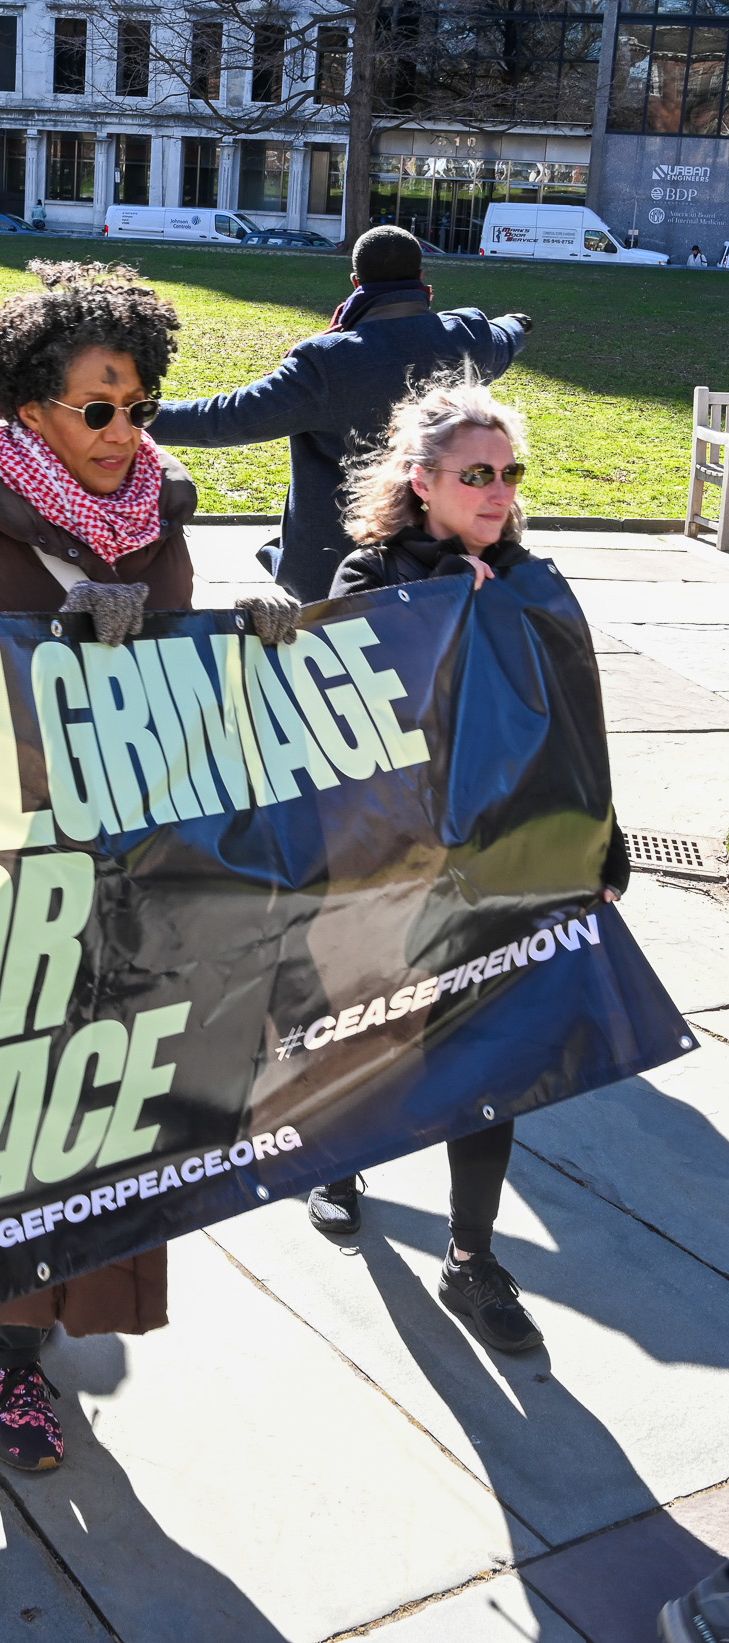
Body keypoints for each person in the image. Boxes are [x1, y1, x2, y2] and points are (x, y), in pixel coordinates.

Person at [0, 261, 303, 1471]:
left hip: (130, 890)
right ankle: (5, 1355)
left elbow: (182, 688)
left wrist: (244, 656)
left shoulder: (159, 517)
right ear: (27, 413)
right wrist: (63, 676)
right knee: (13, 1134)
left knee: (111, 1134)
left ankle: (71, 1314)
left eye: (138, 408)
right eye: (97, 410)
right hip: (9, 897)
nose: (126, 434)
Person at [305, 373, 628, 1354]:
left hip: (504, 864)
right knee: (375, 1032)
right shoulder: (367, 577)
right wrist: (450, 606)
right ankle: (336, 1158)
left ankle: (470, 1255)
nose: (496, 491)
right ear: (421, 481)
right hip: (392, 864)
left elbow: (576, 718)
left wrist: (600, 835)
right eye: (474, 473)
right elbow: (346, 707)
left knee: (493, 1055)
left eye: (508, 472)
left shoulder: (531, 580)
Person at [149, 225, 529, 602]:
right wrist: (518, 322)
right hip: (453, 565)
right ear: (421, 278)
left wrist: (133, 415)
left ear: (356, 282)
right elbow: (505, 337)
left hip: (343, 572)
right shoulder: (470, 338)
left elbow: (224, 420)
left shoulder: (325, 363)